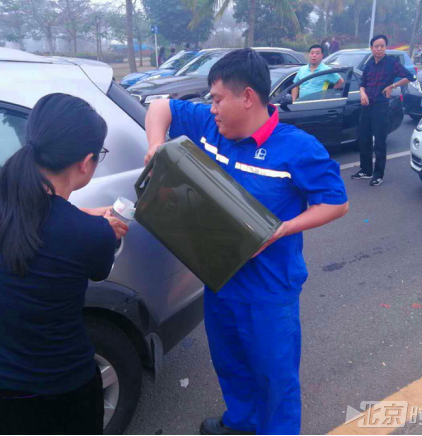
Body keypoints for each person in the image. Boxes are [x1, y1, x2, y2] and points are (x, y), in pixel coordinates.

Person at [144, 49, 349, 436]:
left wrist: (282, 229)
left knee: (274, 376)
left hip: (268, 290)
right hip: (219, 277)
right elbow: (159, 107)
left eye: (218, 98)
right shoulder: (209, 125)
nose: (212, 107)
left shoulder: (298, 148)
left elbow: (336, 203)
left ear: (248, 97)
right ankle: (242, 421)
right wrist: (156, 145)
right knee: (230, 362)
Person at [0, 93, 129, 435]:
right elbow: (95, 263)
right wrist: (99, 227)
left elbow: (38, 218)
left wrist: (82, 217)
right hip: (58, 393)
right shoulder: (91, 236)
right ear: (86, 162)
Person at [352, 35, 416, 187]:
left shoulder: (392, 63)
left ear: (385, 47)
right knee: (364, 139)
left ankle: (378, 174)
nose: (379, 49)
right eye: (376, 46)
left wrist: (392, 86)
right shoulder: (369, 64)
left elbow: (410, 77)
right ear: (372, 48)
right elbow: (363, 83)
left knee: (379, 142)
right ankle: (366, 170)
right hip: (366, 107)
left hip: (381, 108)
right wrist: (362, 93)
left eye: (382, 46)